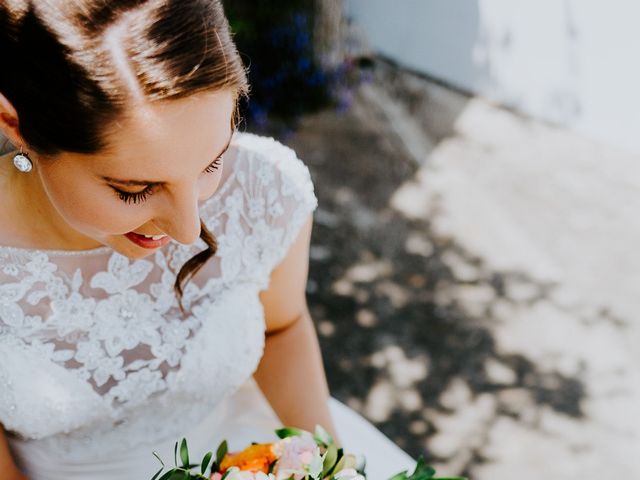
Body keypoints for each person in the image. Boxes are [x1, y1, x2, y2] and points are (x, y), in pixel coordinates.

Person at [0, 1, 416, 479]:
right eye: (135, 189)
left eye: (212, 162)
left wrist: (332, 467)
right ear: (17, 124)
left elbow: (281, 328)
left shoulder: (264, 192)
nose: (188, 230)